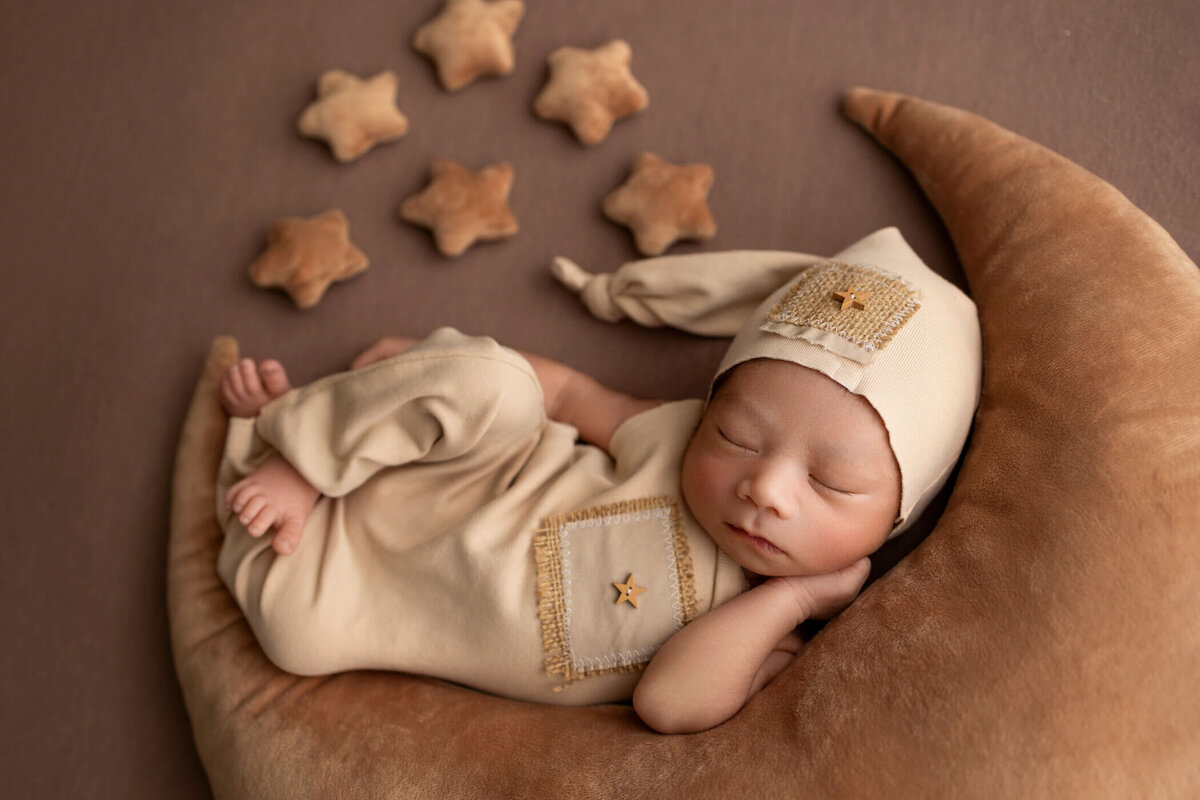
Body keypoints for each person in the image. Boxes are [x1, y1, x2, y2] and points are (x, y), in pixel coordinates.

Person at [215, 227, 982, 733]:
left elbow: (666, 701)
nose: (766, 489)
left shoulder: (766, 636)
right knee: (494, 384)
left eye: (832, 483)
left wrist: (794, 599)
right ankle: (303, 451)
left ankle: (288, 437)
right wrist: (427, 366)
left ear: (899, 519)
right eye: (737, 436)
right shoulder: (672, 434)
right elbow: (569, 395)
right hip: (459, 484)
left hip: (352, 593)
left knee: (291, 639)